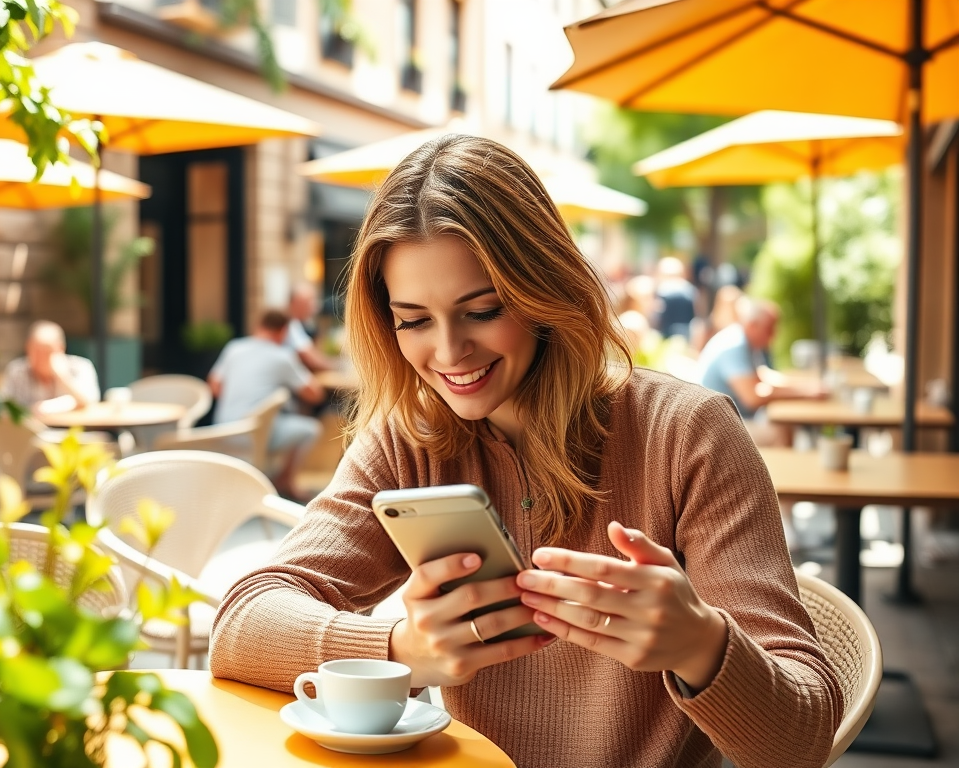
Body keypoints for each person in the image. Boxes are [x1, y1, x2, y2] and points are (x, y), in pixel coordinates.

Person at [211, 136, 841, 768]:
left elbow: (802, 741)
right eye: (414, 321)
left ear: (544, 287)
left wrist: (701, 644)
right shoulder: (412, 439)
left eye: (481, 310)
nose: (450, 352)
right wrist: (401, 649)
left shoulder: (688, 434)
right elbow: (241, 623)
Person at [208, 309, 325, 501]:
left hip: (222, 430)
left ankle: (271, 477)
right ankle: (285, 481)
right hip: (256, 434)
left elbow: (214, 386)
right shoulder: (282, 356)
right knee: (310, 429)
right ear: (283, 332)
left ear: (258, 326)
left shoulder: (234, 348)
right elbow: (314, 394)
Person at [697, 295, 826, 445]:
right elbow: (752, 398)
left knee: (784, 424)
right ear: (753, 325)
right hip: (716, 430)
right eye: (769, 329)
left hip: (728, 421)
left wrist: (803, 387)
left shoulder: (743, 340)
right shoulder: (735, 345)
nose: (773, 336)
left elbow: (762, 376)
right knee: (780, 431)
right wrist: (805, 393)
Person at [0, 321, 100, 412]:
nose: (40, 357)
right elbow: (4, 406)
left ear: (61, 348)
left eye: (46, 351)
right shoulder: (16, 371)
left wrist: (61, 376)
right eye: (36, 350)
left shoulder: (81, 366)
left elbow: (90, 401)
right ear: (27, 347)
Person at [284, 282, 338, 373]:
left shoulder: (298, 324)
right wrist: (338, 365)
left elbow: (315, 354)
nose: (314, 306)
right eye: (309, 302)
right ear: (296, 303)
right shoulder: (289, 326)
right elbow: (312, 360)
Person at [654, 256, 700, 340]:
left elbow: (656, 315)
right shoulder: (691, 290)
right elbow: (698, 314)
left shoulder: (662, 290)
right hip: (686, 335)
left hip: (665, 336)